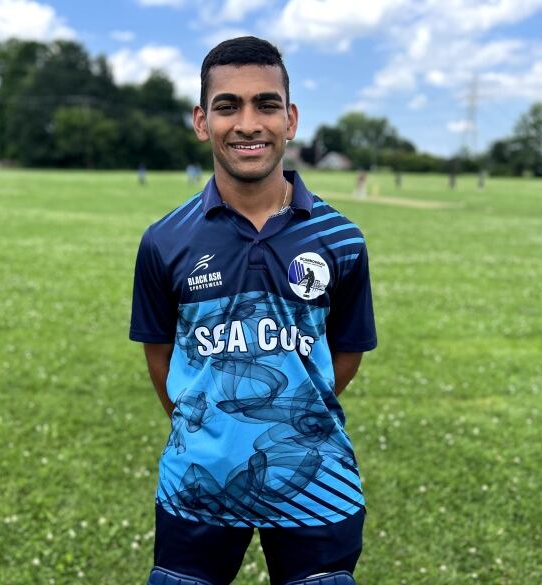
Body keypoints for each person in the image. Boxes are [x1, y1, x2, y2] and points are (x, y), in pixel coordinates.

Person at [130, 36, 378, 585]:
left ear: (290, 119)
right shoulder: (164, 241)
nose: (248, 123)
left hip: (319, 481)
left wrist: (292, 414)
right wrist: (209, 426)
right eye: (227, 106)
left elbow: (348, 350)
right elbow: (159, 356)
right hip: (196, 479)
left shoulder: (341, 239)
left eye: (265, 104)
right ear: (201, 121)